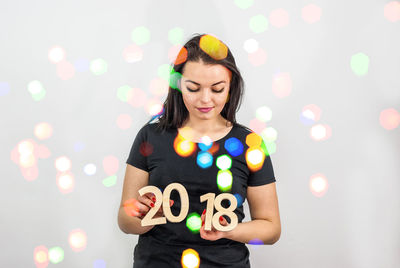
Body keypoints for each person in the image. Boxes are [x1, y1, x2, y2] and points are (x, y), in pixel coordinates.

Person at [118, 33, 281, 268]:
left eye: (217, 89)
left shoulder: (250, 144)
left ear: (231, 87)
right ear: (178, 84)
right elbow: (124, 221)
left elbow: (271, 228)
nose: (205, 99)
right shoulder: (151, 136)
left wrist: (228, 229)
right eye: (193, 88)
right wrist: (144, 216)